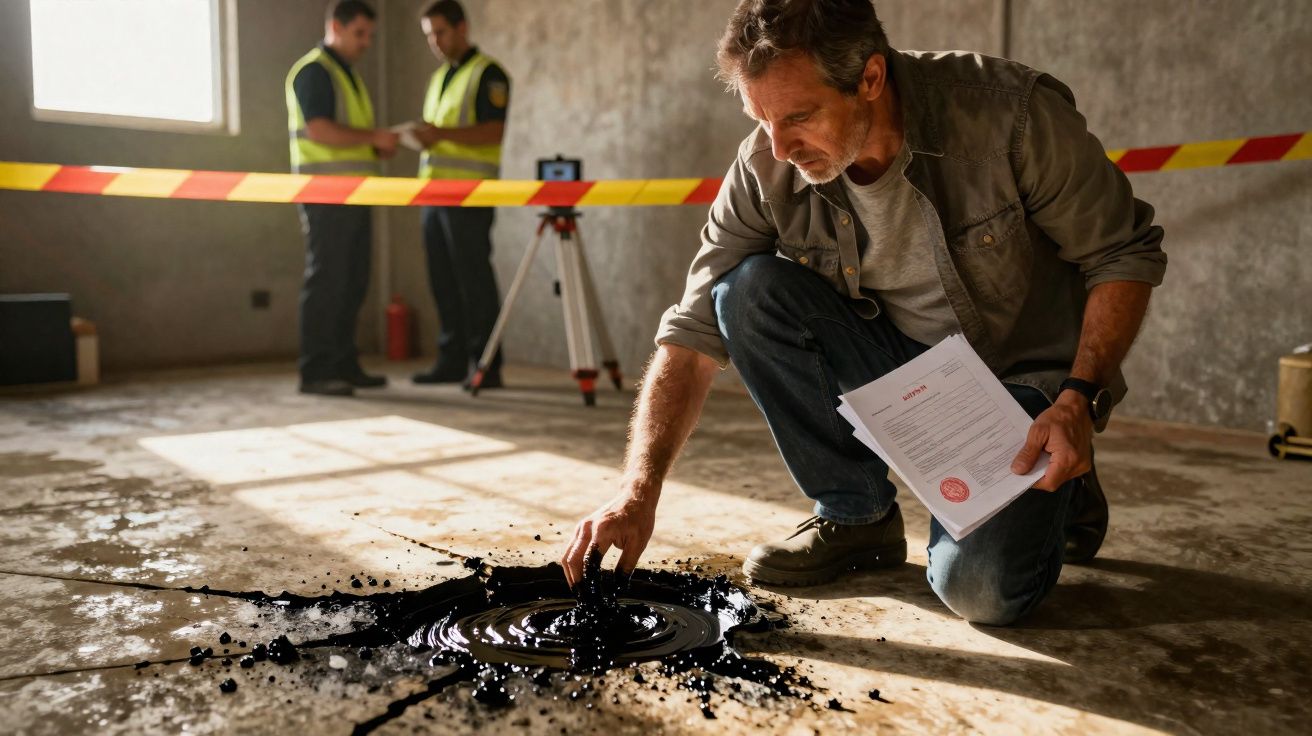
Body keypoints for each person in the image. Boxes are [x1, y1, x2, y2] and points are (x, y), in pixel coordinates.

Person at [562, 0, 1167, 627]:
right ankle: (857, 518)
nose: (779, 146)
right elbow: (689, 339)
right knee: (745, 291)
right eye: (760, 118)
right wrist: (637, 493)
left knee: (980, 592)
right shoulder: (765, 163)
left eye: (799, 116)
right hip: (899, 369)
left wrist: (1076, 399)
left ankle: (1063, 485)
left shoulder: (1010, 116)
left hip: (1023, 379)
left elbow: (1122, 254)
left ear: (870, 79)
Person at [285, 0, 398, 397]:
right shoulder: (315, 71)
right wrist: (373, 139)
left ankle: (344, 364)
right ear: (336, 26)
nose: (367, 43)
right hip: (326, 194)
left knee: (352, 282)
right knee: (329, 281)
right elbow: (320, 131)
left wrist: (374, 147)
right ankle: (316, 371)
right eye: (360, 34)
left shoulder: (346, 74)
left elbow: (346, 136)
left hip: (354, 193)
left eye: (370, 35)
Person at [410, 0, 510, 389]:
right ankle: (451, 361)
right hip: (434, 196)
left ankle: (486, 366)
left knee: (474, 281)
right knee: (443, 281)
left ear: (462, 28)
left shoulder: (489, 74)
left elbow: (493, 131)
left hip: (470, 196)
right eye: (429, 35)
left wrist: (440, 135)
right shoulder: (440, 78)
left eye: (440, 32)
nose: (435, 41)